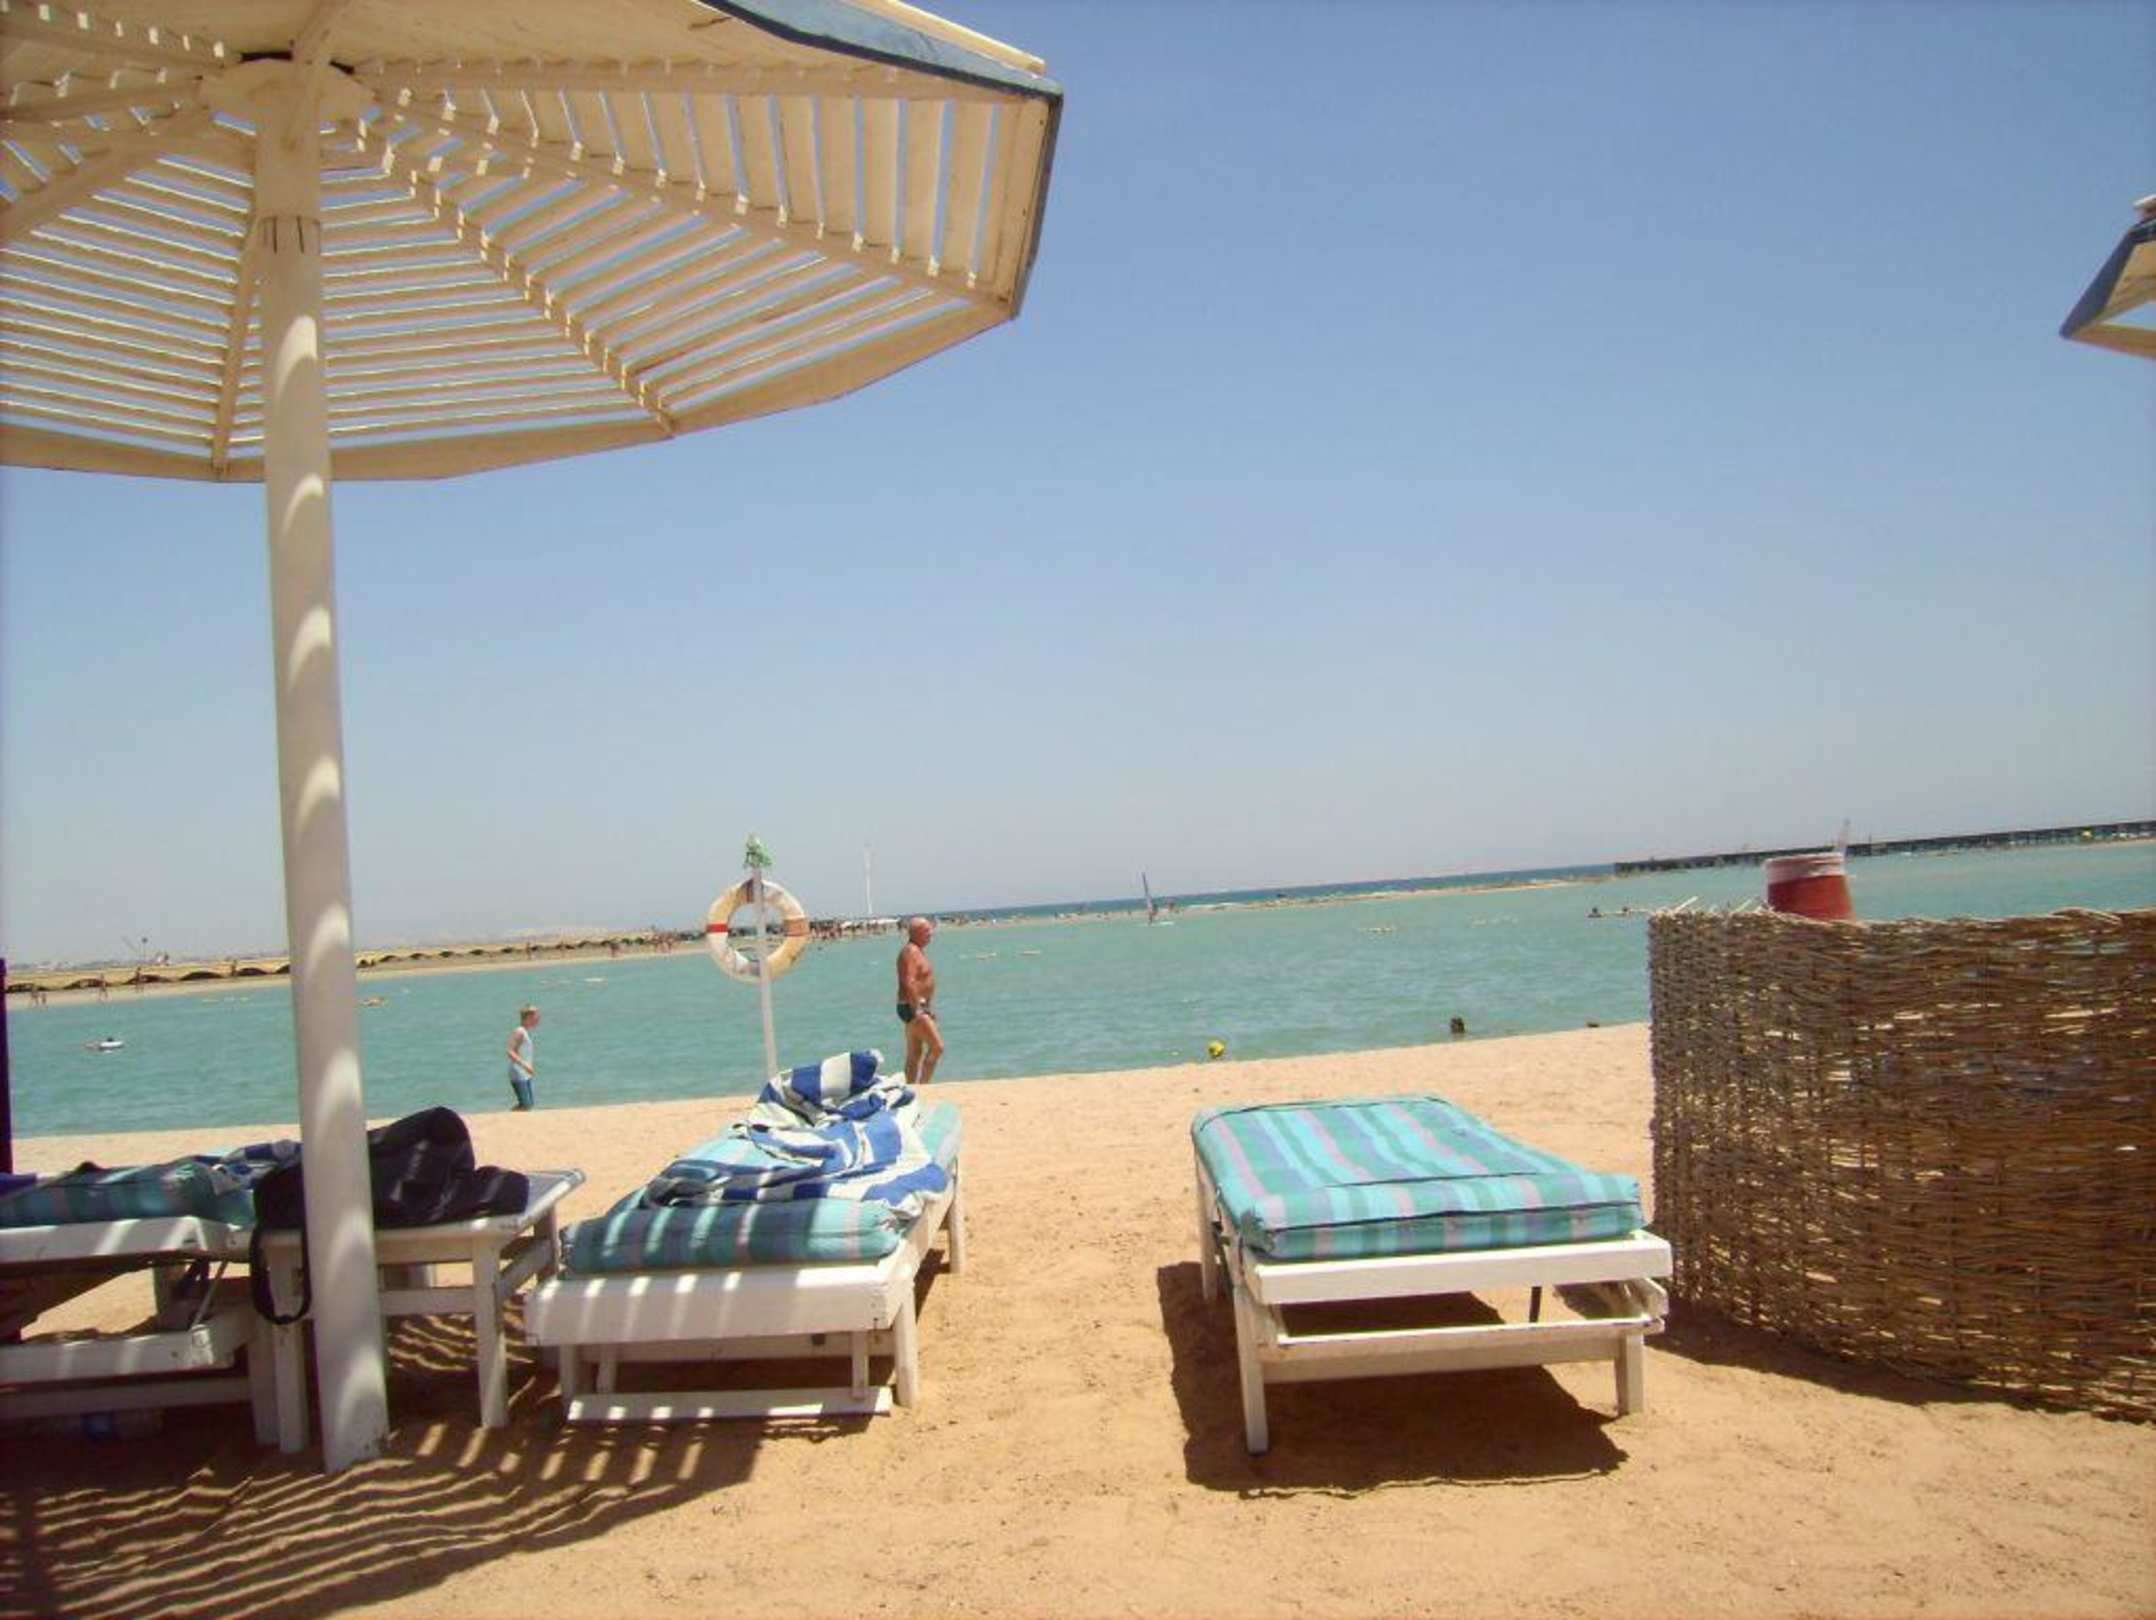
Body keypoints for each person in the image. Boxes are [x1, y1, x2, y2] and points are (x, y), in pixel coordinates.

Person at [895, 917, 944, 1084]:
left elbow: (920, 982)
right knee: (937, 1047)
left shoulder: (916, 950)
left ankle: (909, 1088)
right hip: (911, 1006)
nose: (931, 934)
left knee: (915, 1053)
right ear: (916, 932)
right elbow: (908, 981)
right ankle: (924, 1086)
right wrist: (918, 1009)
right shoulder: (910, 952)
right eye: (927, 930)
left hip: (914, 1006)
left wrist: (926, 1008)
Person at [506, 1004, 540, 1110]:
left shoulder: (524, 1032)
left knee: (528, 1104)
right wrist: (525, 1065)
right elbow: (510, 1051)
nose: (538, 1019)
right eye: (536, 1016)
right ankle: (509, 1116)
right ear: (529, 1017)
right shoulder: (519, 1032)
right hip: (518, 1072)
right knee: (526, 1104)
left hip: (525, 1072)